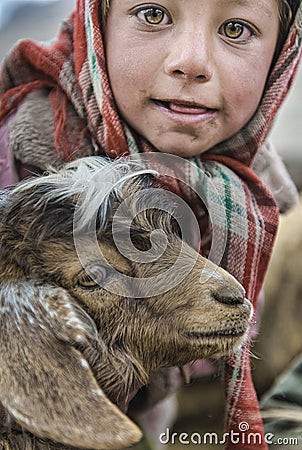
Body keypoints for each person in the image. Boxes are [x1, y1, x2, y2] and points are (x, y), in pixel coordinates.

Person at [0, 1, 301, 449]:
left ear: (282, 55)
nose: (191, 63)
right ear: (97, 24)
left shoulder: (246, 190)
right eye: (153, 13)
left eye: (236, 27)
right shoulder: (14, 160)